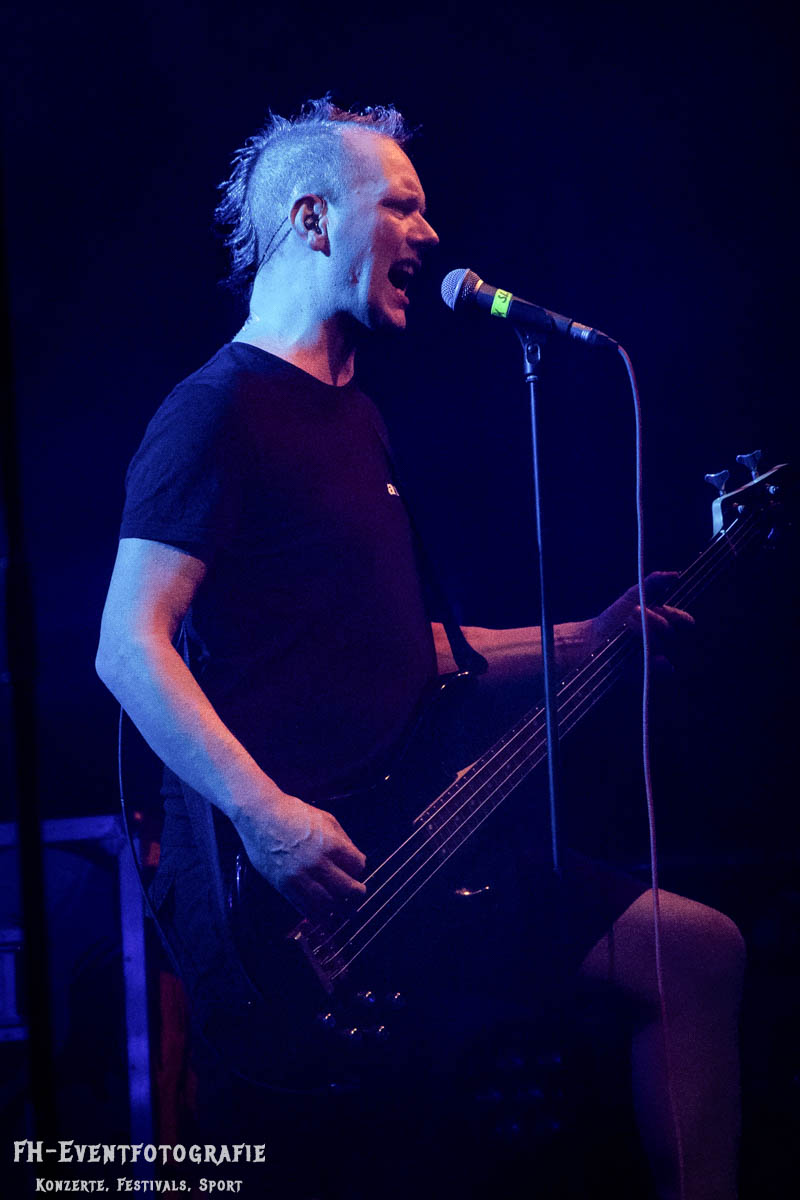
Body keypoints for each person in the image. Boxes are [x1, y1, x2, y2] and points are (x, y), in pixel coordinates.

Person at [96, 98, 745, 1199]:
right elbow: (127, 641)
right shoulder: (217, 411)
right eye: (402, 204)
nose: (430, 233)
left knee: (696, 950)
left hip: (417, 849)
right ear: (313, 219)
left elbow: (415, 651)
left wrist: (588, 637)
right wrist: (265, 813)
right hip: (306, 901)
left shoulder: (355, 415)